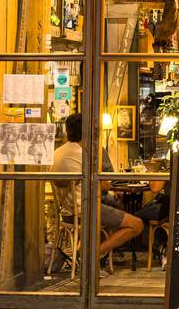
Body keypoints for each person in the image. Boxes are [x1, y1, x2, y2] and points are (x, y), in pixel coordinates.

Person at [52, 114, 142, 269]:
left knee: (113, 207)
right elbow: (105, 185)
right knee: (136, 224)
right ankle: (91, 255)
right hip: (85, 211)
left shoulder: (57, 152)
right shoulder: (83, 154)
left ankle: (93, 253)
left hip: (66, 212)